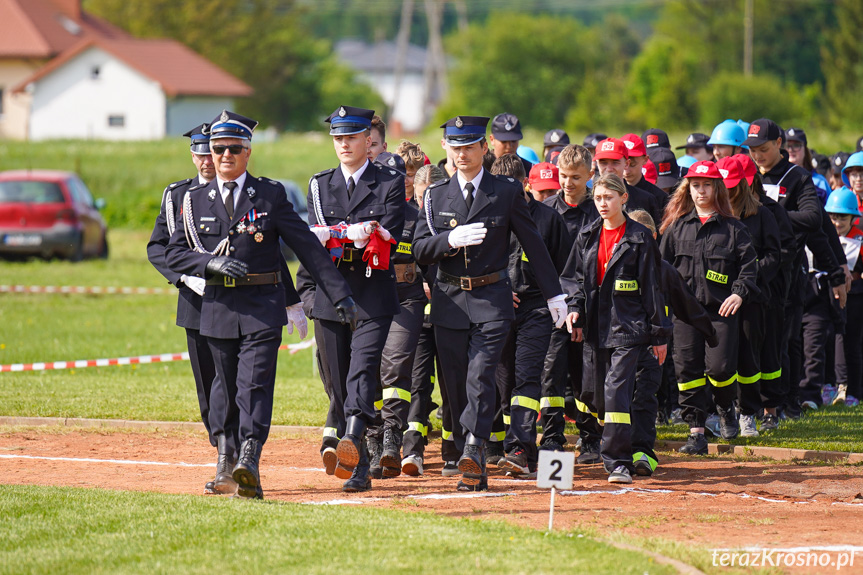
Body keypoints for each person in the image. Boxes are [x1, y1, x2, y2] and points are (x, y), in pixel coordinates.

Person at [165, 110, 354, 499]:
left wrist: (340, 294)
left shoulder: (269, 195)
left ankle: (249, 459)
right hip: (217, 307)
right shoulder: (192, 199)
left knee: (254, 384)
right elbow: (173, 254)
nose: (225, 156)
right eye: (219, 149)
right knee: (223, 388)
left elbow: (307, 247)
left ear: (248, 152)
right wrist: (209, 262)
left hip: (261, 306)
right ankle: (224, 458)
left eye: (234, 148)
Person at [412, 115, 567, 491]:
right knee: (457, 383)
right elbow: (418, 249)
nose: (462, 153)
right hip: (450, 299)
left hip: (492, 299)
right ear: (446, 149)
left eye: (469, 146)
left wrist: (554, 294)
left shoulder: (506, 192)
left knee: (481, 375)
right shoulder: (435, 196)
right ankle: (470, 446)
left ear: (484, 148)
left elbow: (534, 245)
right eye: (455, 146)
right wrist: (449, 241)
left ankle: (474, 449)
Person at [298, 105, 406, 493]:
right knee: (338, 383)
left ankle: (355, 450)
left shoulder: (389, 181)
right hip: (330, 297)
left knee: (362, 372)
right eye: (338, 138)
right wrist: (305, 297)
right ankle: (353, 442)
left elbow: (390, 232)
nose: (344, 144)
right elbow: (313, 240)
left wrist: (349, 235)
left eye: (351, 137)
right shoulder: (319, 184)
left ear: (367, 140)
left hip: (371, 294)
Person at [563, 173, 667, 484]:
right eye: (597, 198)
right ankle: (617, 449)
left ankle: (618, 461)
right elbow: (574, 280)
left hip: (629, 328)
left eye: (609, 197)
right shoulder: (586, 235)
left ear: (624, 198)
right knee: (598, 398)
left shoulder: (639, 238)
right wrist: (574, 311)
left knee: (617, 391)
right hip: (596, 329)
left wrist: (659, 335)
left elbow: (652, 288)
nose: (602, 204)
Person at [659, 160, 758, 454]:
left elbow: (749, 268)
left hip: (720, 314)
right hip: (685, 316)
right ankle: (696, 432)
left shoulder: (734, 229)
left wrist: (739, 293)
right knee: (687, 372)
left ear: (717, 188)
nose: (700, 191)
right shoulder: (676, 228)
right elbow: (659, 269)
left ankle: (726, 406)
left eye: (706, 185)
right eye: (695, 185)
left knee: (721, 369)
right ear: (688, 189)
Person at [489, 154, 568, 479]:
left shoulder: (548, 220)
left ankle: (519, 447)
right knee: (504, 384)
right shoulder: (486, 219)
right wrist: (496, 287)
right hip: (496, 310)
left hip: (536, 311)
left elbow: (565, 269)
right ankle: (523, 450)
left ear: (524, 185)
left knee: (526, 377)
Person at [541, 144, 602, 459]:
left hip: (589, 307)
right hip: (552, 307)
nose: (568, 183)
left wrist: (578, 309)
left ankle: (591, 437)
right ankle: (551, 437)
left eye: (576, 177)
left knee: (586, 375)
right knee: (551, 373)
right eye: (563, 176)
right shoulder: (547, 211)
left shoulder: (599, 214)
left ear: (590, 175)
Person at [717, 156, 781, 437]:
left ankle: (747, 413)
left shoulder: (762, 214)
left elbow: (774, 255)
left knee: (748, 356)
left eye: (731, 186)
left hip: (752, 298)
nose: (727, 191)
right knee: (720, 358)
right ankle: (722, 411)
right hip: (719, 298)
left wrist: (748, 276)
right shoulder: (715, 215)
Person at [402, 164, 448, 476]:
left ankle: (453, 449)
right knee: (417, 383)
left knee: (452, 384)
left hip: (451, 313)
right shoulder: (407, 221)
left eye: (430, 198)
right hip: (417, 315)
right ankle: (412, 449)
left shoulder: (457, 221)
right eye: (420, 199)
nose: (424, 206)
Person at [824, 187, 863, 407]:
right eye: (833, 217)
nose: (837, 223)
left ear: (853, 218)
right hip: (828, 297)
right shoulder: (824, 238)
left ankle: (854, 392)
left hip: (856, 297)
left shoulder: (860, 239)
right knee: (830, 341)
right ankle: (833, 386)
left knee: (852, 344)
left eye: (842, 218)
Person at [593, 138, 663, 226]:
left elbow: (656, 237)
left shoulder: (645, 199)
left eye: (615, 162)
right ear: (596, 164)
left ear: (626, 164)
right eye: (603, 163)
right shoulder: (587, 201)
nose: (609, 169)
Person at [785, 128, 830, 204]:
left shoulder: (819, 182)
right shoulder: (777, 179)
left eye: (796, 145)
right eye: (787, 145)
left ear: (805, 149)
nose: (791, 149)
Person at [489, 113, 533, 177]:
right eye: (504, 141)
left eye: (513, 141)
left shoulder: (529, 169)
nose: (509, 146)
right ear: (492, 139)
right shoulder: (481, 167)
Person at [396, 141, 426, 205]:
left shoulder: (425, 201)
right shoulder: (391, 199)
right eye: (401, 175)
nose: (405, 181)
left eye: (410, 175)